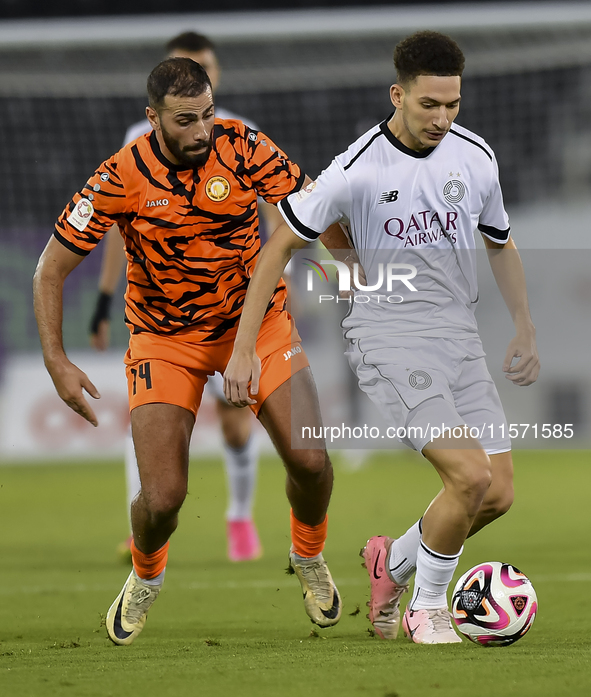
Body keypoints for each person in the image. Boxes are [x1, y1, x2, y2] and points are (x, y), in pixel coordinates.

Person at [223, 31, 540, 645]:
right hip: (389, 336)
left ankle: (389, 562)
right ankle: (427, 610)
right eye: (429, 105)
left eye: (452, 105)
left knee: (496, 493)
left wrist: (524, 323)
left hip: (460, 336)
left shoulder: (476, 157)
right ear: (398, 95)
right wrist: (241, 349)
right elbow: (276, 250)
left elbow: (500, 242)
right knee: (469, 478)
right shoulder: (355, 168)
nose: (442, 119)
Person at [33, 57, 351, 645]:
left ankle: (307, 556)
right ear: (151, 118)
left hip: (257, 326)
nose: (201, 129)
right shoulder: (119, 175)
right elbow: (51, 268)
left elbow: (315, 209)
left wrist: (354, 270)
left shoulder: (245, 147)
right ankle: (145, 575)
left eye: (207, 114)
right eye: (184, 120)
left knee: (311, 463)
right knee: (162, 500)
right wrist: (56, 358)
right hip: (164, 338)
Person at [89, 31, 284, 563]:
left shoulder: (240, 135)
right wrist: (106, 299)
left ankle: (240, 518)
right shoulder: (136, 144)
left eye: (209, 69)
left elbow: (278, 214)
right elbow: (111, 227)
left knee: (238, 422)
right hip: (164, 319)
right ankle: (144, 526)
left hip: (235, 308)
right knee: (151, 425)